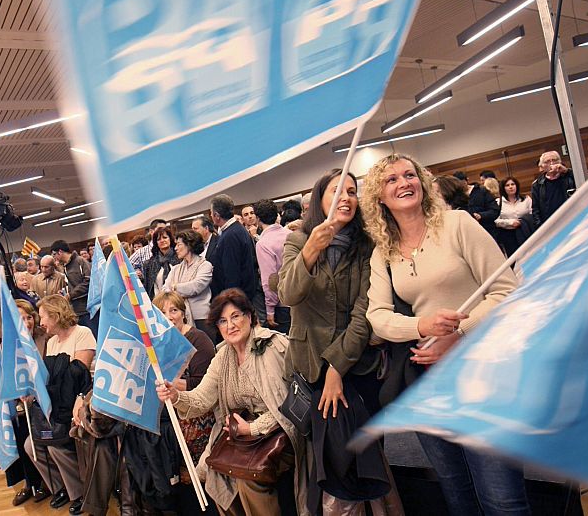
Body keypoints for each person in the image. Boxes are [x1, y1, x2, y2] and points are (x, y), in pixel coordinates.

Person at [361, 153, 530, 516]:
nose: (403, 183)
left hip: (483, 374)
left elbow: (506, 291)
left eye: (410, 175)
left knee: (502, 499)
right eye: (391, 180)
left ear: (422, 183)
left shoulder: (457, 224)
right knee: (457, 492)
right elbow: (377, 318)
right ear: (379, 197)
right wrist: (421, 327)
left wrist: (461, 333)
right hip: (429, 384)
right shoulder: (383, 252)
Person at [279, 170, 400, 514]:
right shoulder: (298, 240)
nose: (346, 197)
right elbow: (289, 293)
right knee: (323, 460)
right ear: (319, 200)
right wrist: (310, 252)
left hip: (356, 367)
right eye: (336, 191)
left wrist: (337, 368)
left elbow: (364, 313)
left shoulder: (367, 246)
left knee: (365, 458)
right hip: (308, 368)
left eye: (351, 191)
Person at [156, 288, 308, 516]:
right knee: (218, 475)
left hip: (279, 433)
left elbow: (284, 405)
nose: (231, 325)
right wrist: (175, 396)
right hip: (244, 440)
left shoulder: (272, 346)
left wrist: (252, 428)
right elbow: (200, 399)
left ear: (250, 316)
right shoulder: (222, 356)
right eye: (223, 321)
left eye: (236, 316)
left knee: (247, 480)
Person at [123, 291, 216, 514]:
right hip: (163, 413)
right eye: (162, 312)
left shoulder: (198, 339)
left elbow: (203, 384)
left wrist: (172, 385)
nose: (168, 316)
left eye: (173, 310)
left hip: (193, 412)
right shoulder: (155, 346)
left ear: (183, 313)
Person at [26, 294, 95, 512]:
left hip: (81, 399)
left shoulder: (83, 334)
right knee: (31, 444)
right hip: (58, 404)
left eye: (43, 316)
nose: (40, 322)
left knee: (56, 444)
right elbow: (50, 379)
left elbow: (78, 376)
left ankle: (81, 493)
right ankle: (61, 486)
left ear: (56, 315)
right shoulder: (52, 342)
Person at [9, 299, 49, 506]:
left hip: (45, 398)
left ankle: (45, 481)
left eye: (29, 317)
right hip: (22, 401)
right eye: (20, 318)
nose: (26, 322)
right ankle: (29, 482)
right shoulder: (8, 344)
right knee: (18, 428)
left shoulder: (45, 337)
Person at [163, 230, 214, 343]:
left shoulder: (205, 265)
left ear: (190, 245)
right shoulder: (176, 269)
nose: (175, 248)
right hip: (180, 319)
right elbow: (165, 290)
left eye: (179, 244)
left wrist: (175, 287)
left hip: (201, 318)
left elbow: (196, 287)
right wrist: (173, 289)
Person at [208, 194, 258, 303]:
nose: (210, 215)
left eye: (211, 212)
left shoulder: (230, 235)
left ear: (216, 215)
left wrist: (230, 302)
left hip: (235, 300)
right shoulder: (236, 230)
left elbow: (232, 273)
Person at [253, 199, 291, 334]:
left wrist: (270, 309)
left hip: (282, 303)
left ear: (257, 218)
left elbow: (270, 279)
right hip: (300, 298)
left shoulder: (263, 244)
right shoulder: (290, 234)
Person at [50, 240, 93, 331]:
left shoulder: (80, 261)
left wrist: (70, 295)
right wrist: (64, 292)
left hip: (87, 310)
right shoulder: (65, 267)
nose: (53, 257)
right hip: (75, 310)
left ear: (60, 252)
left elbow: (88, 282)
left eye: (54, 254)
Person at [531, 150, 576, 227]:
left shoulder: (570, 176)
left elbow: (584, 181)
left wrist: (566, 171)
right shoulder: (537, 184)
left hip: (572, 218)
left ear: (560, 162)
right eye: (547, 161)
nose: (551, 163)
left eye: (554, 160)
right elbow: (535, 209)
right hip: (551, 224)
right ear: (542, 166)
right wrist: (540, 226)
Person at [496, 177, 534, 257]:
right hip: (509, 235)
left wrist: (523, 221)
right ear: (503, 188)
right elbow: (496, 221)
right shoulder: (498, 202)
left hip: (526, 231)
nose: (511, 187)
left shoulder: (526, 199)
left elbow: (533, 213)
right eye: (507, 185)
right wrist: (510, 222)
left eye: (513, 184)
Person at [142, 226, 180, 298]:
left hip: (179, 301)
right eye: (158, 239)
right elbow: (148, 289)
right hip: (157, 303)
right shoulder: (149, 264)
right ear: (156, 243)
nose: (162, 240)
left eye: (165, 237)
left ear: (170, 239)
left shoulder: (180, 259)